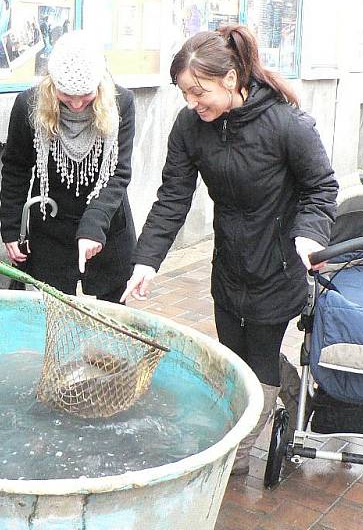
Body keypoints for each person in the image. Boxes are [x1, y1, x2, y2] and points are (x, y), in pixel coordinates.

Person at [121, 25, 338, 475]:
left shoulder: (286, 124)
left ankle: (239, 450)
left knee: (257, 356)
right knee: (233, 351)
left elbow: (321, 187)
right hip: (230, 262)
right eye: (184, 93)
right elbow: (173, 196)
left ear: (232, 78)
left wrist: (310, 234)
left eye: (199, 91)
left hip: (279, 264)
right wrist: (146, 260)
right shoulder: (191, 127)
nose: (191, 103)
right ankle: (290, 387)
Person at [0, 31, 136, 302]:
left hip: (106, 224)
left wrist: (94, 225)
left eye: (85, 95)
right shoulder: (29, 104)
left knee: (112, 322)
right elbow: (16, 168)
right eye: (66, 95)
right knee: (56, 316)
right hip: (51, 226)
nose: (75, 104)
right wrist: (11, 228)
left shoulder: (121, 102)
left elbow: (118, 173)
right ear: (51, 83)